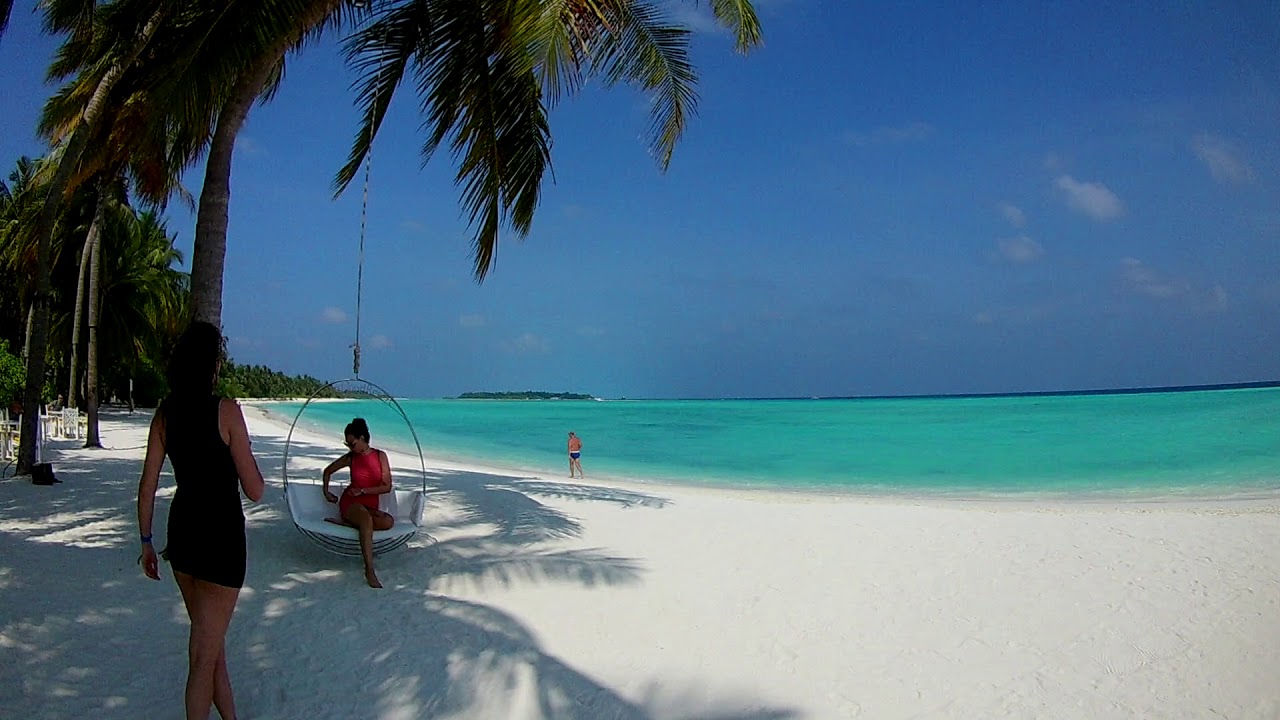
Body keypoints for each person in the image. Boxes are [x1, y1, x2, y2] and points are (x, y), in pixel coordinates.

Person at [136, 321, 265, 720]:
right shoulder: (226, 411)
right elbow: (255, 489)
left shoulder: (165, 414)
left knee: (212, 650)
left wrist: (145, 541)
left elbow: (147, 485)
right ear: (212, 366)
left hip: (184, 538)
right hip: (221, 544)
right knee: (202, 659)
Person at [322, 418, 394, 588]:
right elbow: (327, 471)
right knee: (366, 520)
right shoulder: (351, 458)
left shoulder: (380, 456)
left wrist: (363, 491)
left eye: (352, 444)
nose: (350, 448)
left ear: (362, 438)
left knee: (388, 522)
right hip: (351, 503)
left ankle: (347, 524)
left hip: (368, 505)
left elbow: (387, 487)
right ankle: (369, 569)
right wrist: (326, 492)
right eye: (347, 445)